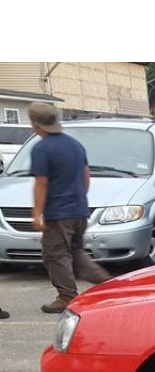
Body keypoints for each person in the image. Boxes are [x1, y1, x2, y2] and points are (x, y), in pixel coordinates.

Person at [28, 102, 110, 314]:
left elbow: (41, 183)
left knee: (55, 255)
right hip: (79, 210)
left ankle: (66, 296)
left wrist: (37, 213)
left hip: (58, 213)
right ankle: (110, 285)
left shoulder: (42, 149)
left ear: (35, 125)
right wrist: (79, 199)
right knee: (75, 253)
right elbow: (86, 175)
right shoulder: (74, 144)